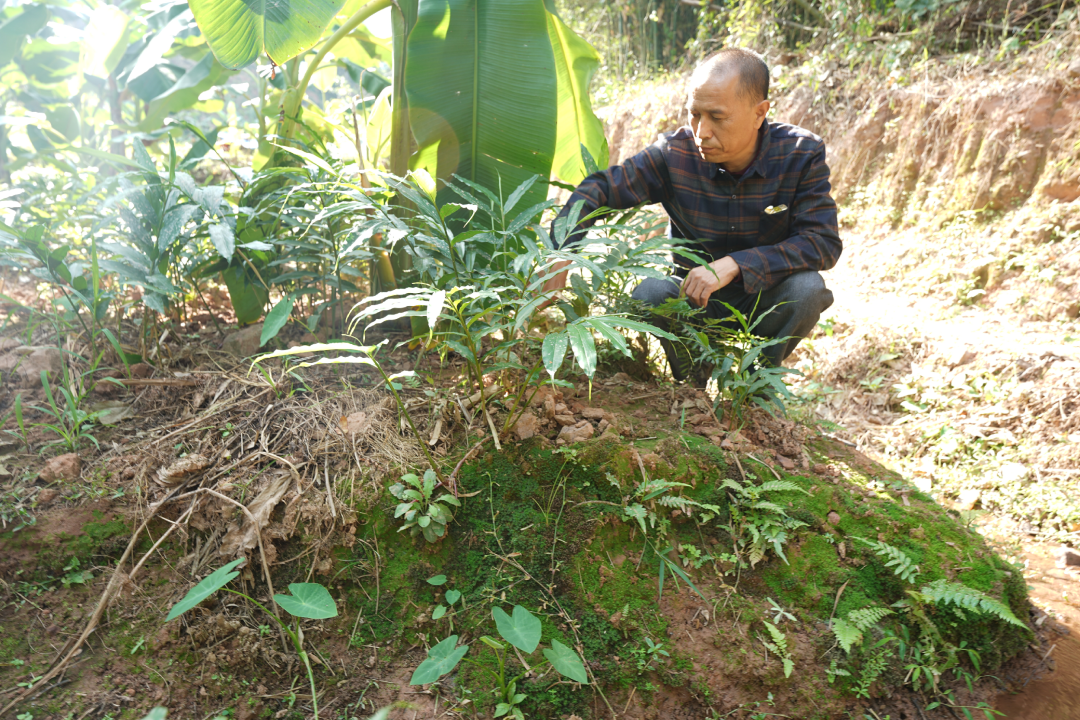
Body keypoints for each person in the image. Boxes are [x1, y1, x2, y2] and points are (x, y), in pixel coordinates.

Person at [545, 47, 841, 383]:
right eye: (694, 114)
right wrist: (561, 251)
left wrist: (736, 265)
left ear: (760, 113)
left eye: (717, 117)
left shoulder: (800, 155)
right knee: (650, 294)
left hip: (764, 298)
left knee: (807, 289)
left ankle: (758, 385)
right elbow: (598, 190)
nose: (702, 131)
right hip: (692, 300)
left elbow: (822, 242)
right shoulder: (675, 155)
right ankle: (691, 381)